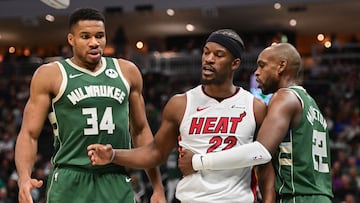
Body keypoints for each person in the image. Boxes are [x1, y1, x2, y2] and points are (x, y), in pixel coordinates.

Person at [87, 29, 275, 202]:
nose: (208, 59)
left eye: (218, 55)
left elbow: (265, 165)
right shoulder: (181, 104)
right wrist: (113, 155)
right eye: (206, 52)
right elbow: (155, 153)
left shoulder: (254, 107)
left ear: (235, 64)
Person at [14, 8, 165, 203]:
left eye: (99, 36)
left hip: (115, 175)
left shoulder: (127, 71)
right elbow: (29, 134)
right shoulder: (51, 74)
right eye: (85, 36)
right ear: (71, 39)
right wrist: (24, 179)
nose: (94, 42)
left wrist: (157, 186)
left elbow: (141, 131)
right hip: (70, 178)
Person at [177, 42, 334, 203]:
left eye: (262, 66)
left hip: (298, 197)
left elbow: (260, 152)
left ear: (281, 66)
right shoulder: (310, 103)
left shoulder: (284, 97)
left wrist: (199, 161)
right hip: (319, 195)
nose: (257, 73)